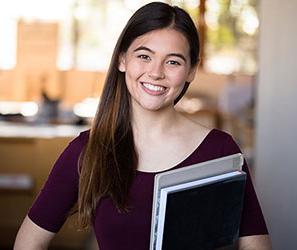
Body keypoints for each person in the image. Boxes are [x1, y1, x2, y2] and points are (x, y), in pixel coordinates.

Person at [14, 2, 272, 250]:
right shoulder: (87, 150)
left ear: (191, 70)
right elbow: (29, 241)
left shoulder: (220, 150)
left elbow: (255, 244)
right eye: (144, 56)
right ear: (122, 60)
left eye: (173, 61)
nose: (156, 72)